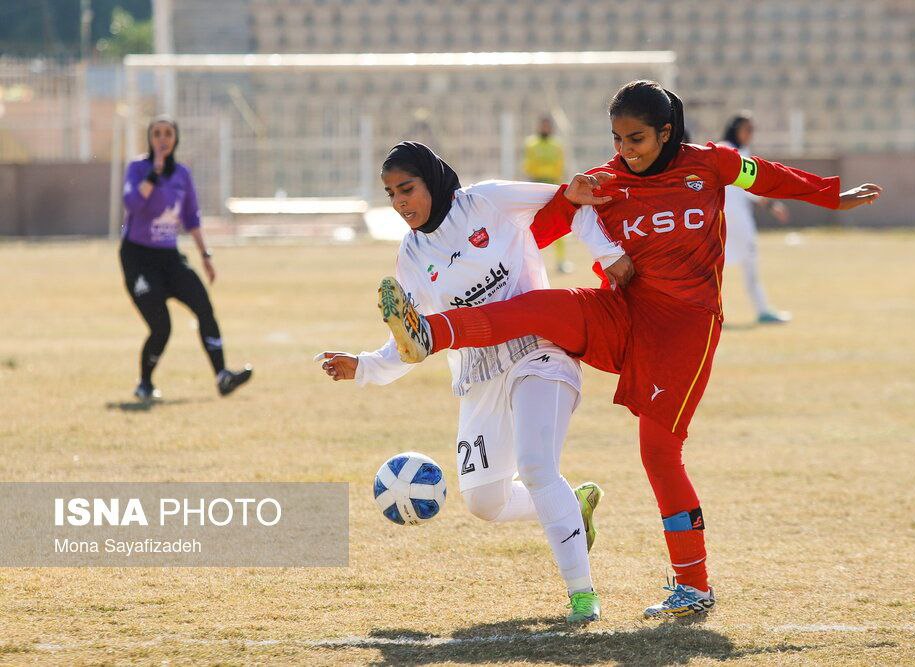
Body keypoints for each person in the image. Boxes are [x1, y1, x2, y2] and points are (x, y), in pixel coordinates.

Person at [377, 82, 882, 618]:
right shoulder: (608, 181)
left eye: (637, 138)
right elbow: (542, 231)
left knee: (658, 452)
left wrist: (829, 194)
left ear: (667, 132)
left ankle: (693, 585)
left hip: (684, 329)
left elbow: (764, 174)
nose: (625, 149)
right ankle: (432, 332)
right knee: (540, 305)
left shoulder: (709, 164)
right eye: (617, 138)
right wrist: (578, 211)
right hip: (621, 312)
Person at [315, 142, 630, 623]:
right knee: (485, 501)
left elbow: (572, 201)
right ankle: (573, 504)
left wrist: (609, 254)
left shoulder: (487, 201)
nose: (400, 202)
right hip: (479, 372)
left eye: (408, 188)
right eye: (391, 194)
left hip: (539, 349)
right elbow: (414, 338)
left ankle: (582, 594)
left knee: (536, 466)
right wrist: (363, 366)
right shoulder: (412, 256)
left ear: (432, 182)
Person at [120, 115, 252, 401]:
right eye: (157, 133)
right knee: (161, 326)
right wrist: (153, 175)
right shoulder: (137, 168)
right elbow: (132, 204)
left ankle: (222, 376)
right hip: (138, 258)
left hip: (169, 257)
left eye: (168, 133)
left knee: (204, 307)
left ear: (175, 139)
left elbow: (191, 217)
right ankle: (144, 383)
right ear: (150, 138)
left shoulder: (182, 174)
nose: (162, 139)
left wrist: (205, 255)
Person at [721, 112, 793, 324]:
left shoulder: (742, 151)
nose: (750, 134)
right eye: (747, 129)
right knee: (744, 259)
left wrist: (771, 204)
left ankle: (762, 308)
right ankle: (761, 309)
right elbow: (743, 185)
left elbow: (748, 187)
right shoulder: (725, 149)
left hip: (735, 215)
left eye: (752, 130)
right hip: (732, 217)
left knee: (735, 261)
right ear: (736, 129)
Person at [523, 115, 572, 274]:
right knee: (529, 225)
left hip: (552, 186)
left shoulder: (557, 144)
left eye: (547, 125)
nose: (544, 128)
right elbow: (529, 165)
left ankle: (561, 261)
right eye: (542, 125)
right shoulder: (531, 143)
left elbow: (560, 165)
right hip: (535, 185)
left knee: (558, 223)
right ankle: (529, 263)